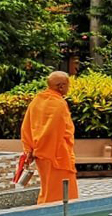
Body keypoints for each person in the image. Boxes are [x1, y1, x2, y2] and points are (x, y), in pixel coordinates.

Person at [20, 71, 78, 204]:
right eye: (68, 85)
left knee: (47, 188)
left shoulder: (37, 101)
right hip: (57, 155)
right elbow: (55, 131)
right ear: (61, 86)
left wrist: (29, 150)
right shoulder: (58, 104)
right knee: (61, 192)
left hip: (40, 154)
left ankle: (44, 213)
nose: (69, 88)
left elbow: (26, 127)